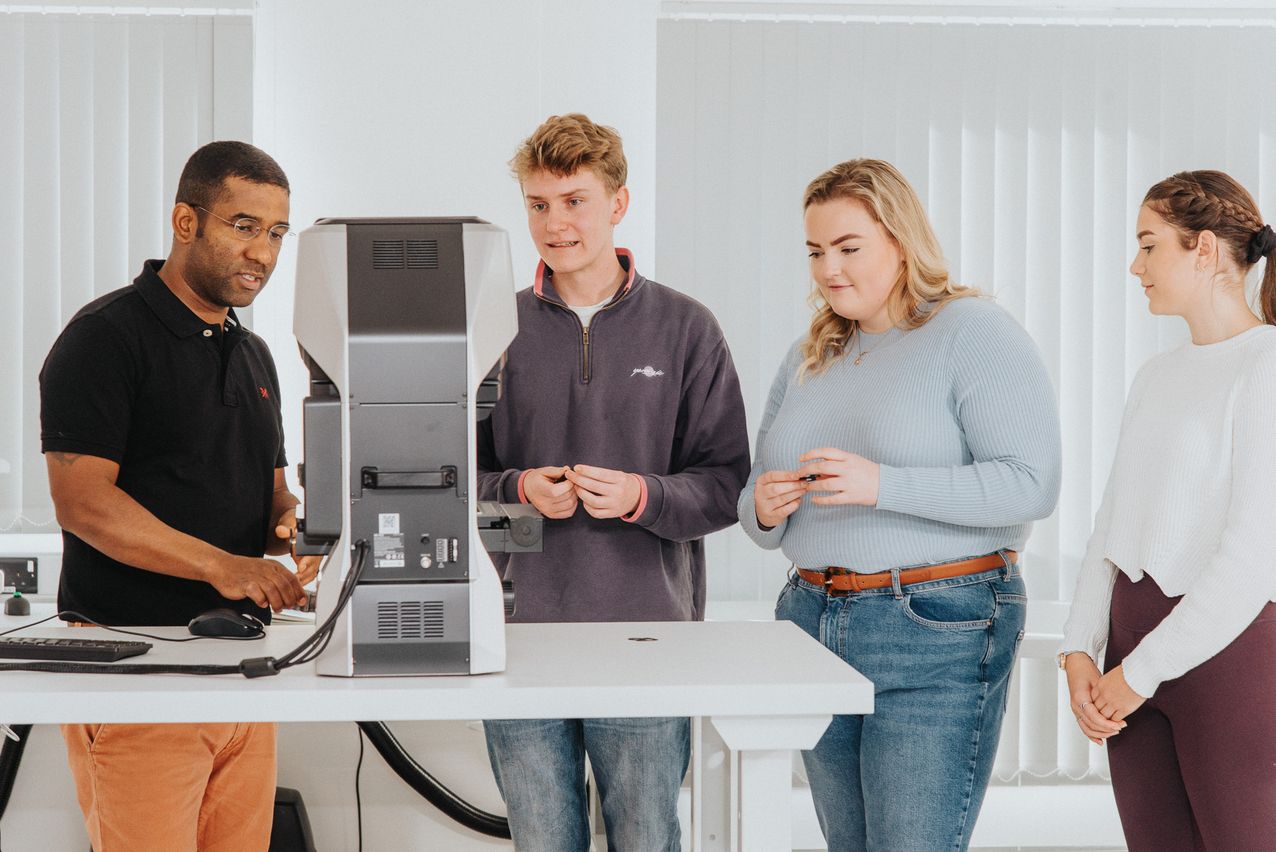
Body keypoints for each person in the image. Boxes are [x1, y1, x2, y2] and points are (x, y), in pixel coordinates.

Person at [739, 158, 1061, 851]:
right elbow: (758, 513)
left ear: (901, 241)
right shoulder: (811, 352)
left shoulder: (972, 332)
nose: (829, 269)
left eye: (849, 248)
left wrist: (884, 484)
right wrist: (765, 507)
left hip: (935, 623)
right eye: (816, 251)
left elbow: (1031, 483)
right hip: (811, 619)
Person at [476, 113, 750, 851]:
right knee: (541, 842)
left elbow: (728, 484)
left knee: (645, 839)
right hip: (517, 636)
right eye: (538, 205)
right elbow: (456, 478)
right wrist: (519, 488)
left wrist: (643, 496)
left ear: (618, 203)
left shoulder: (688, 329)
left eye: (574, 201)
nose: (554, 224)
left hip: (647, 637)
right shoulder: (490, 331)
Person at [39, 140, 316, 852]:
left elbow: (274, 496)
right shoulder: (104, 337)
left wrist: (299, 536)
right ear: (185, 222)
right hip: (136, 674)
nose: (263, 251)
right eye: (244, 225)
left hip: (239, 668)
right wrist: (223, 566)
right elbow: (83, 503)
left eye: (278, 232)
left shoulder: (253, 355)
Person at [1060, 170, 1276, 851]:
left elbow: (1251, 554)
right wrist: (1077, 650)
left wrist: (1139, 674)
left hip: (1224, 661)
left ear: (1204, 250)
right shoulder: (1155, 377)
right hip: (1128, 666)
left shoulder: (1265, 367)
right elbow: (1110, 527)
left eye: (1149, 245)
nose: (1135, 265)